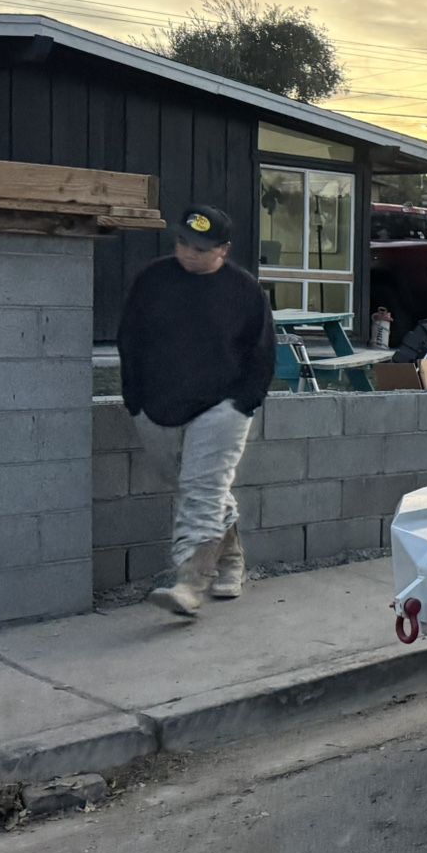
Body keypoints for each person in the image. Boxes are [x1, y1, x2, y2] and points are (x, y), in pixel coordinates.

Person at [117, 206, 274, 616]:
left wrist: (243, 403)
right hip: (157, 405)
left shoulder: (244, 291)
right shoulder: (152, 280)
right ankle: (231, 557)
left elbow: (261, 355)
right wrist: (134, 399)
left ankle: (190, 581)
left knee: (202, 491)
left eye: (201, 248)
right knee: (190, 484)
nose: (188, 253)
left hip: (222, 406)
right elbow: (128, 339)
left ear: (223, 249)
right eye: (183, 243)